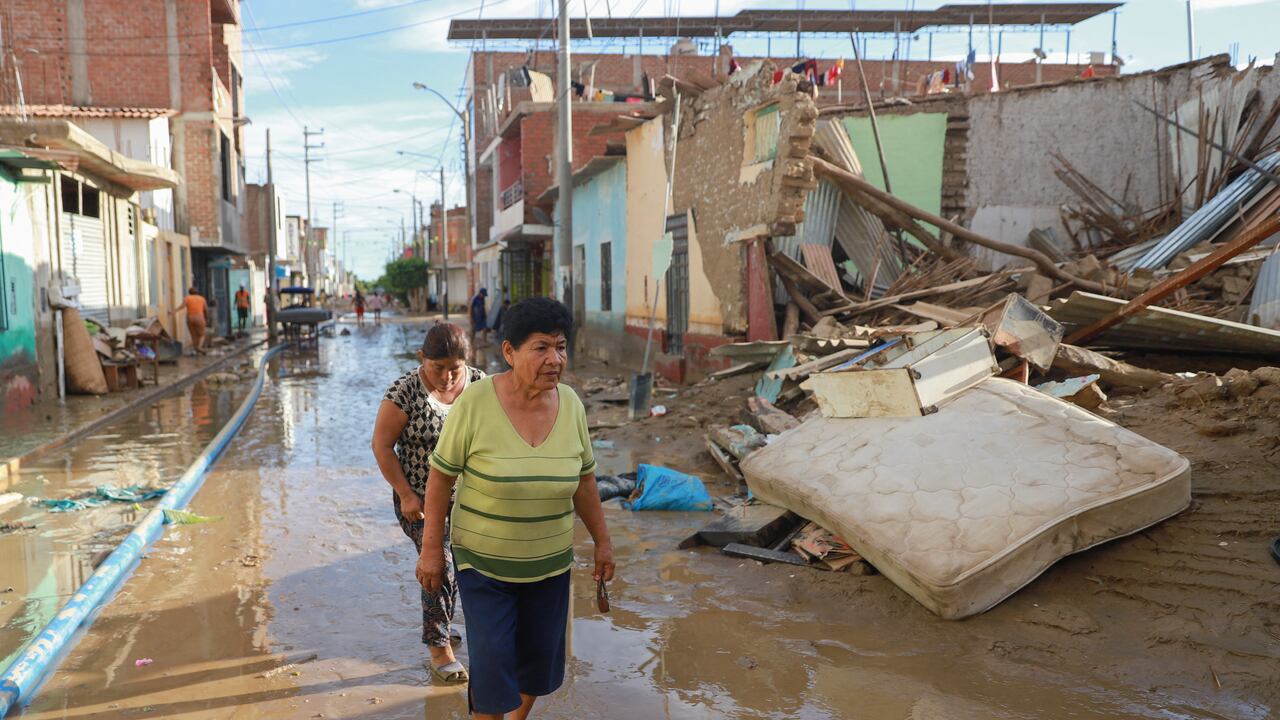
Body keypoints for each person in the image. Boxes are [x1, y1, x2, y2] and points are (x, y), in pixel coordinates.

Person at [417, 297, 615, 720]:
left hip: (550, 564)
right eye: (541, 348)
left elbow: (584, 481)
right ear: (509, 352)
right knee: (491, 663)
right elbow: (441, 477)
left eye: (561, 347)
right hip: (484, 565)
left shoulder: (573, 406)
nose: (554, 359)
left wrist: (603, 542)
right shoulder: (475, 403)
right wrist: (431, 548)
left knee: (538, 662)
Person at [372, 323, 484, 685]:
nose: (449, 377)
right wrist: (405, 493)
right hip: (419, 502)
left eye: (456, 367)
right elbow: (381, 446)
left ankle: (446, 625)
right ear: (422, 359)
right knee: (440, 564)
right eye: (439, 368)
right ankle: (439, 648)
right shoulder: (404, 393)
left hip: (471, 502)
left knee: (469, 568)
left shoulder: (482, 387)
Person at [180, 287, 209, 353]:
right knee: (202, 334)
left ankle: (196, 350)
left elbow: (182, 306)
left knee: (193, 335)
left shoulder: (187, 298)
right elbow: (206, 310)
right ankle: (199, 347)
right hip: (199, 318)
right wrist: (207, 318)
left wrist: (174, 311)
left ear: (189, 292)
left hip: (190, 318)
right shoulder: (202, 299)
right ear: (197, 292)